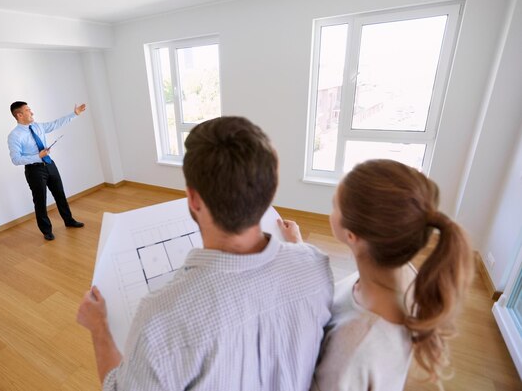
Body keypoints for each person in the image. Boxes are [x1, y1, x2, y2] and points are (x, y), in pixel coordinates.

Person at [77, 116, 334, 390]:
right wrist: (298, 247)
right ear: (271, 190)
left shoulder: (160, 319)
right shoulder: (315, 266)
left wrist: (99, 329)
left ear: (194, 198)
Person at [279, 159, 474, 391]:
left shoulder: (354, 347)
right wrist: (300, 248)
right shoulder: (400, 274)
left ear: (352, 236)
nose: (331, 211)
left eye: (334, 206)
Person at [8, 101, 86, 241]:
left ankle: (69, 220)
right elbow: (16, 159)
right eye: (28, 110)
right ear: (19, 115)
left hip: (49, 164)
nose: (32, 112)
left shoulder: (37, 126)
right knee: (40, 201)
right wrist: (38, 156)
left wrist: (74, 114)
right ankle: (46, 231)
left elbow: (56, 123)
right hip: (34, 171)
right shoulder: (14, 136)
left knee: (60, 194)